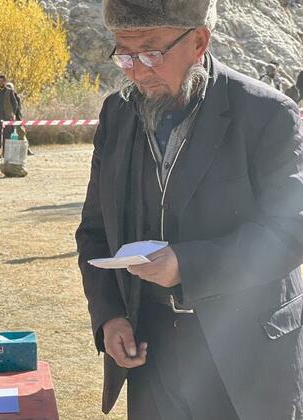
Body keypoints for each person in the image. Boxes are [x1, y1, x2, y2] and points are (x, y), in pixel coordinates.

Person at [76, 1, 303, 418]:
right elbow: (94, 230)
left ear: (199, 41)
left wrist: (188, 264)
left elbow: (290, 232)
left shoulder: (266, 114)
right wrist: (110, 316)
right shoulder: (118, 113)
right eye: (124, 55)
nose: (137, 71)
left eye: (150, 53)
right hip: (153, 350)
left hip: (243, 352)